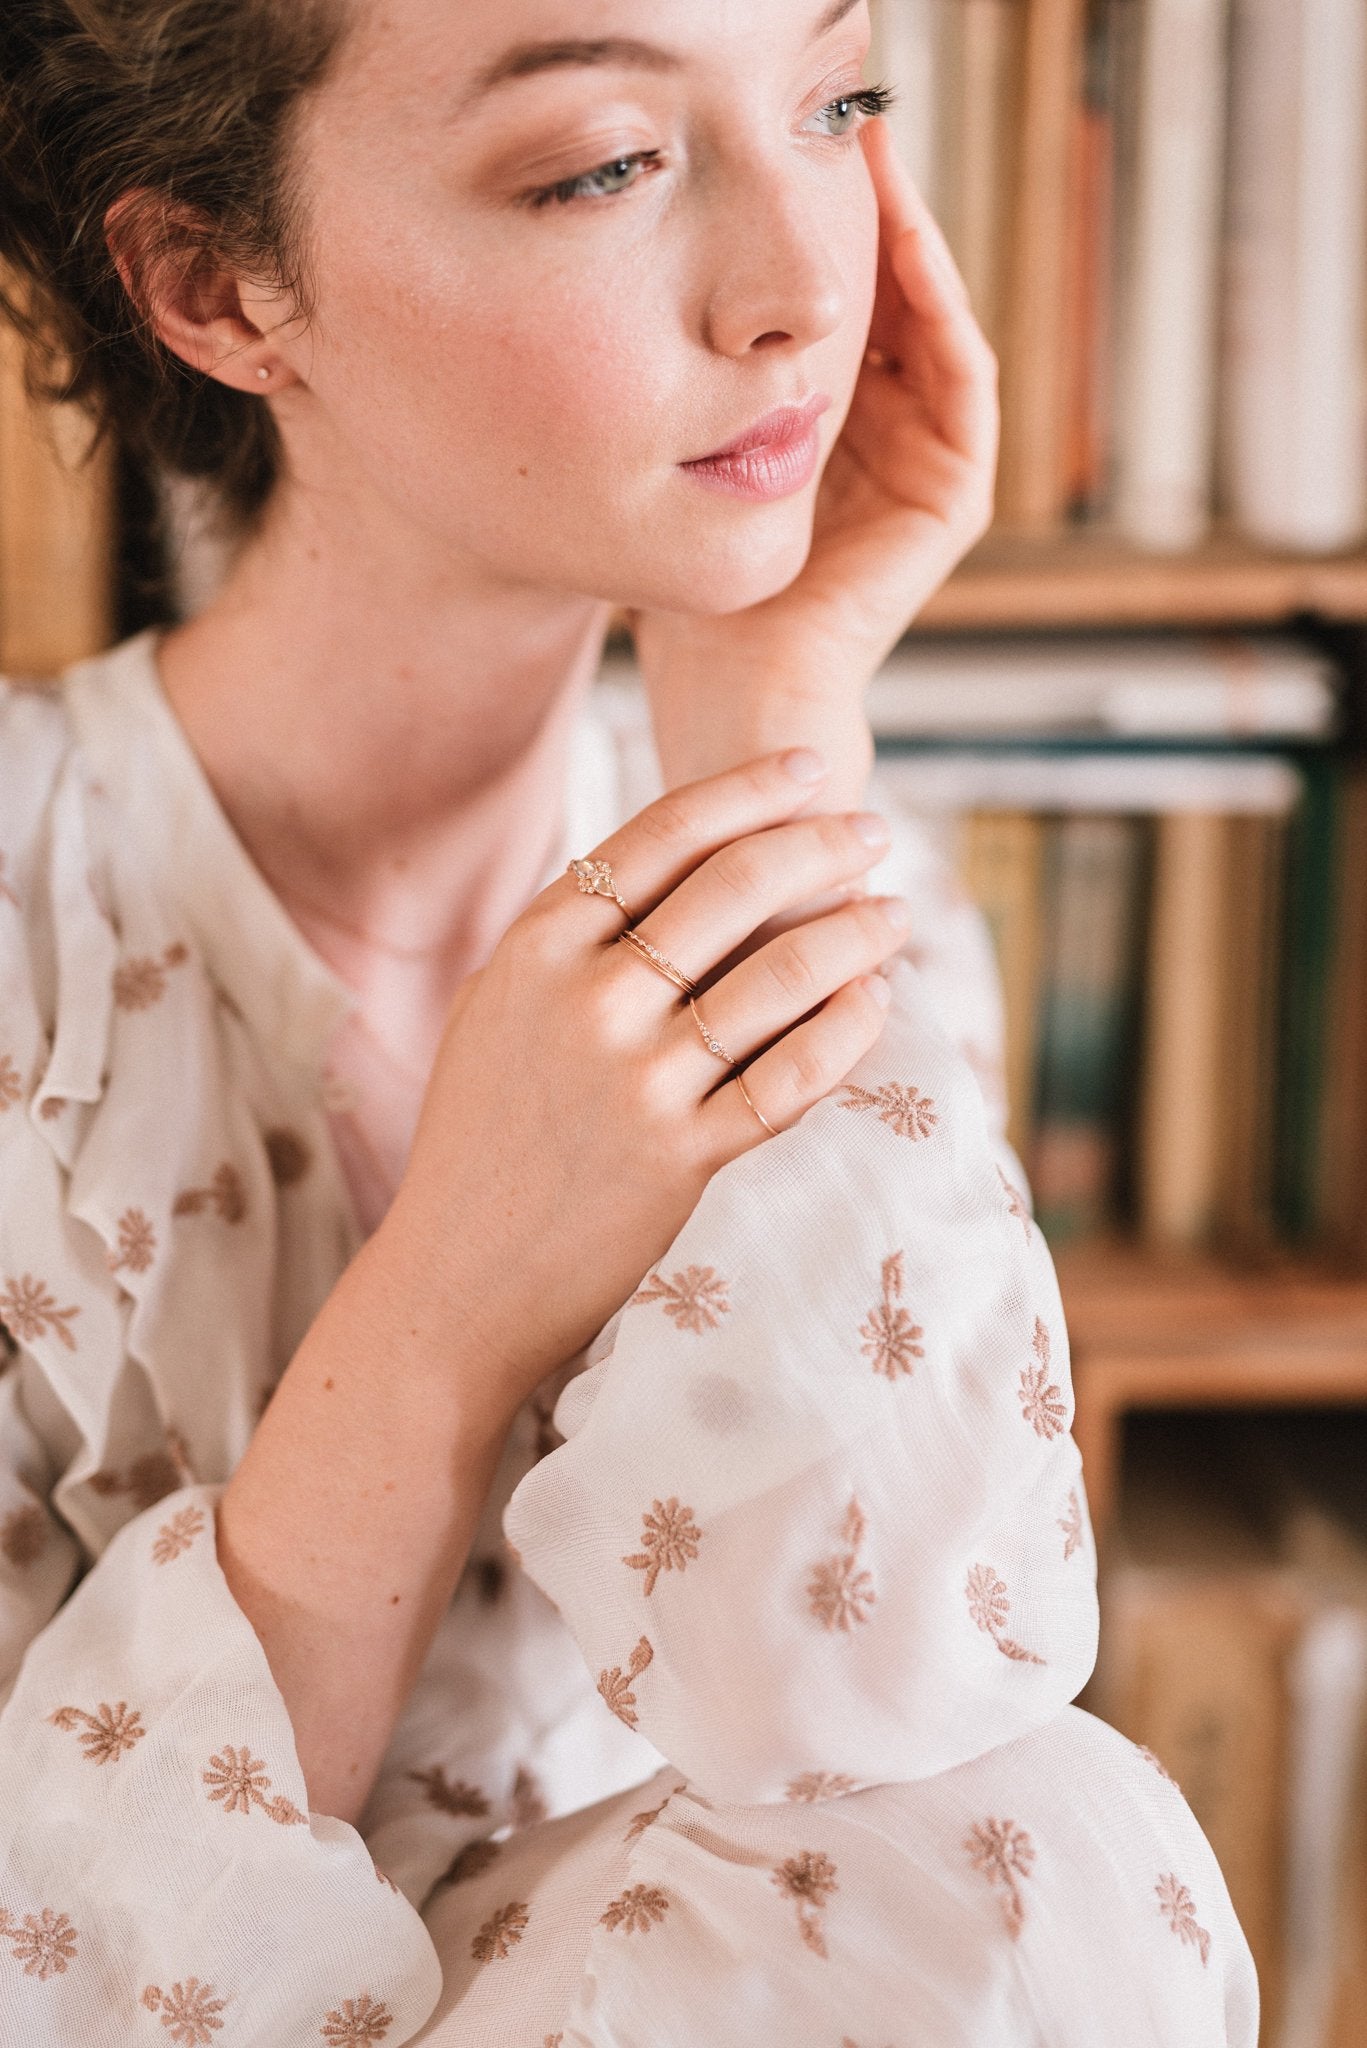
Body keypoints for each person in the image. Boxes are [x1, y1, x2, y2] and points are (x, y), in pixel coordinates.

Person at [0, 2, 1257, 2042]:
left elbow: (929, 1740)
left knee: (1052, 1854)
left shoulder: (870, 895)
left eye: (839, 103)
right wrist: (447, 1302)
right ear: (218, 289)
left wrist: (764, 732)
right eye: (603, 165)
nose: (798, 290)